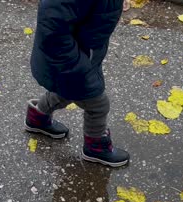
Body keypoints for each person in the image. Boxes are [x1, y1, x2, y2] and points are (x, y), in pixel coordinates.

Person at [25, 0, 130, 167]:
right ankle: (95, 147)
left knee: (65, 93)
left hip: (83, 55)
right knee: (98, 105)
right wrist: (77, 65)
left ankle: (38, 117)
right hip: (68, 62)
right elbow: (53, 29)